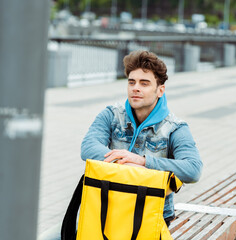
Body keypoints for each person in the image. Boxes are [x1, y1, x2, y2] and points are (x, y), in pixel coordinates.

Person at [80, 50, 203, 226]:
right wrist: (128, 166)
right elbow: (89, 147)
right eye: (132, 82)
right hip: (106, 208)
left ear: (160, 90)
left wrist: (143, 162)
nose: (135, 88)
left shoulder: (175, 128)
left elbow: (193, 169)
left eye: (144, 83)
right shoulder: (111, 115)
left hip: (151, 217)